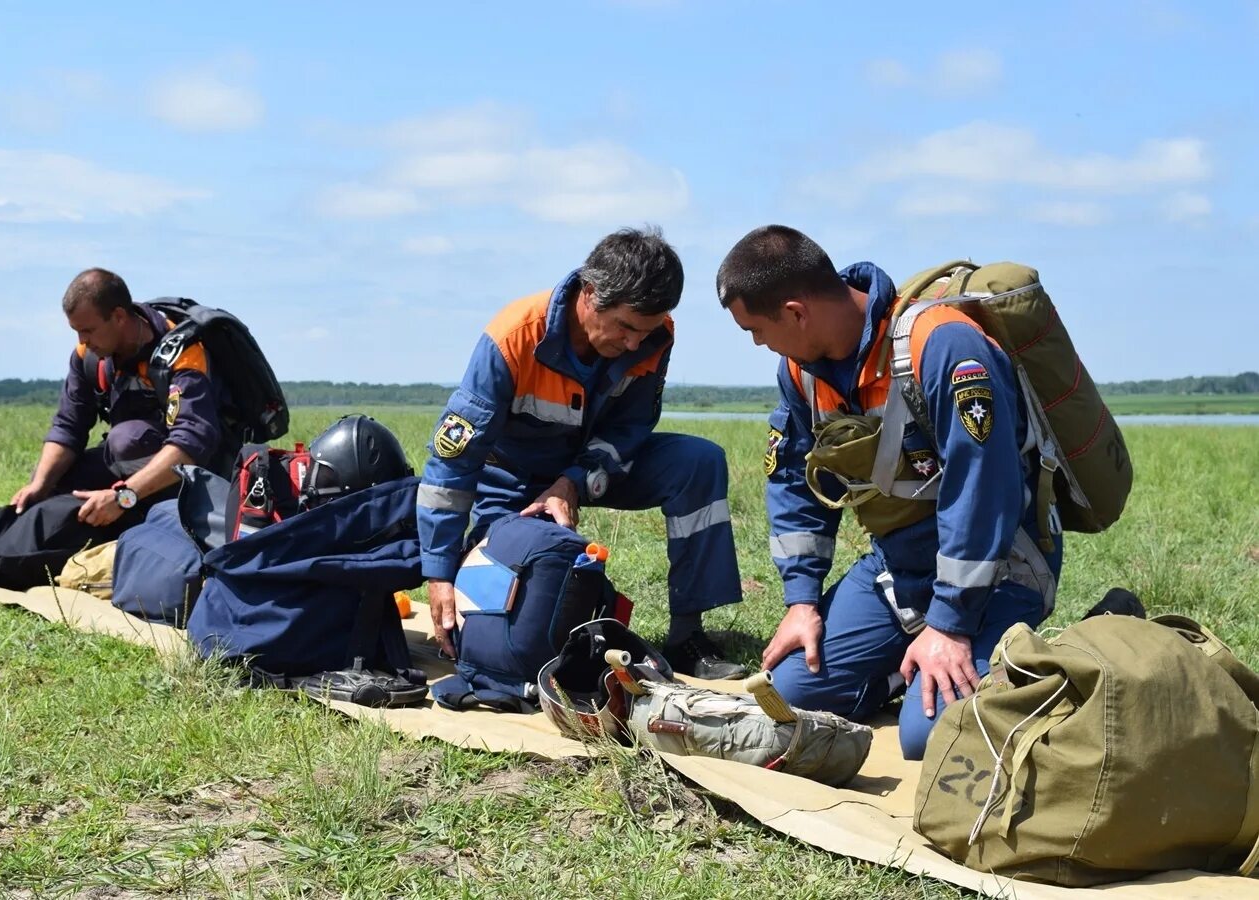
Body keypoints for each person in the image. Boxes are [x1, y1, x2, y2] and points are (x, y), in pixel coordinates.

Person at [716, 225, 1061, 759]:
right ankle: (904, 669)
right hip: (899, 566)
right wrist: (801, 602)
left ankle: (1085, 641)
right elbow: (793, 481)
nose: (758, 343)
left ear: (795, 312)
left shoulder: (942, 345)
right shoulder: (800, 373)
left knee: (931, 741)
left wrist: (949, 623)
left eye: (754, 329)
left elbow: (984, 492)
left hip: (1000, 567)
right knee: (789, 696)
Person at [418, 227, 746, 679]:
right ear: (590, 295)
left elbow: (630, 428)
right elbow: (452, 462)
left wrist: (573, 480)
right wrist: (438, 574)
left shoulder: (654, 335)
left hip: (591, 470)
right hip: (514, 481)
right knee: (503, 612)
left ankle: (689, 637)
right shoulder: (513, 338)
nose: (634, 344)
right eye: (626, 328)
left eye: (644, 331)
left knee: (699, 463)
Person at [10, 268, 231, 528]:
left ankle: (140, 521)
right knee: (53, 480)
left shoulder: (184, 353)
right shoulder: (88, 355)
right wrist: (39, 484)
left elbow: (191, 442)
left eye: (89, 330)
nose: (82, 340)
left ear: (118, 316)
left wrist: (123, 497)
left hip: (195, 473)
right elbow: (69, 426)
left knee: (125, 440)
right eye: (76, 331)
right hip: (129, 465)